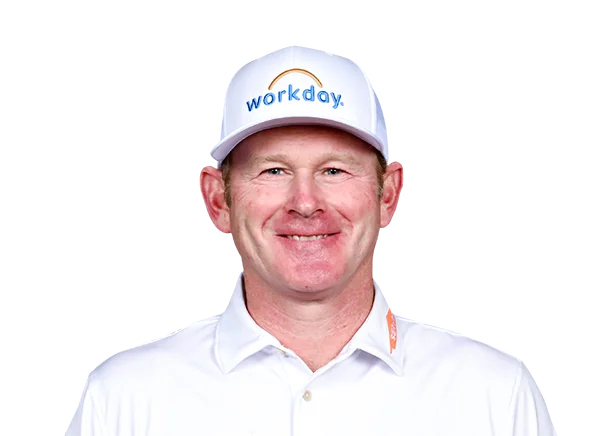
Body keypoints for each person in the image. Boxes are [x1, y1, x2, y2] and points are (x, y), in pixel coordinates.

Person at [67, 45, 555, 436]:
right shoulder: (126, 400)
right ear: (218, 200)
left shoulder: (493, 396)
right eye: (273, 171)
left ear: (387, 194)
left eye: (334, 170)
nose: (305, 202)